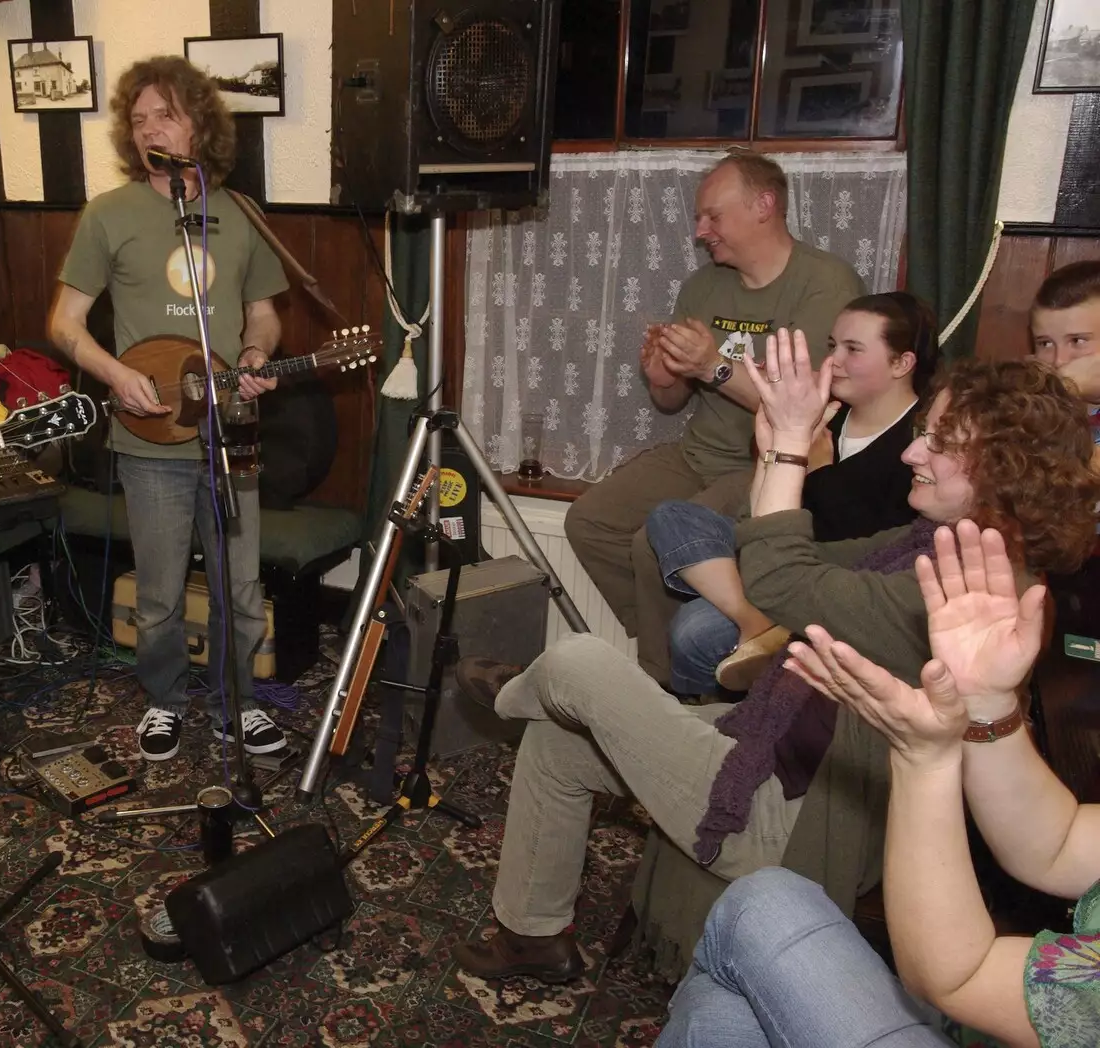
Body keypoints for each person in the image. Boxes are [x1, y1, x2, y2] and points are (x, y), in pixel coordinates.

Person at [449, 347, 1098, 986]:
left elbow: (782, 578)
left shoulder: (964, 593)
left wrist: (791, 448)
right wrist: (774, 452)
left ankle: (512, 695)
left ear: (1003, 469)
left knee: (579, 663)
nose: (910, 453)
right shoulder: (938, 544)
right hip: (775, 747)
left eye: (937, 441)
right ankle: (532, 936)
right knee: (559, 737)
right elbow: (801, 557)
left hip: (789, 816)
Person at [659, 516, 1100, 1048]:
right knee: (720, 1005)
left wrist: (924, 760)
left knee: (761, 906)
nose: (916, 450)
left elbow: (959, 977)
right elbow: (1057, 844)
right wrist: (987, 702)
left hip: (962, 984)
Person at [48, 55, 289, 762]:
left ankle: (238, 704)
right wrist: (115, 375)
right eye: (139, 116)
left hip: (230, 434)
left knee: (240, 588)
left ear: (199, 125)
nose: (150, 126)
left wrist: (254, 357)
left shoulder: (240, 214)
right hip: (150, 436)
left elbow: (265, 315)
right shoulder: (109, 215)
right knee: (156, 594)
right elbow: (65, 324)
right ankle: (163, 700)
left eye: (167, 113)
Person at [565, 149, 867, 685]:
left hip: (768, 465)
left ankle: (664, 687)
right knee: (591, 523)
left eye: (713, 216)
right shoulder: (704, 287)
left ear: (764, 206)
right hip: (696, 452)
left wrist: (710, 364)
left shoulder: (825, 282)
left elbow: (803, 411)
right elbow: (673, 402)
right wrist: (665, 377)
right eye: (700, 218)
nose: (703, 231)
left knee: (650, 544)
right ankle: (686, 655)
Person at [645, 291, 935, 696]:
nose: (833, 361)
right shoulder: (826, 411)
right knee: (671, 516)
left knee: (692, 629)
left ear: (902, 363)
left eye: (854, 349)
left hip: (825, 577)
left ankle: (708, 722)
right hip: (774, 550)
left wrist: (814, 469)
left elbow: (867, 550)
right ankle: (755, 622)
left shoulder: (918, 444)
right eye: (833, 346)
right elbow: (756, 517)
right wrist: (774, 455)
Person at [1032, 259, 1100, 457]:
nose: (1059, 360)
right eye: (1045, 343)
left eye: (1077, 340)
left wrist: (1060, 389)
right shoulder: (1029, 396)